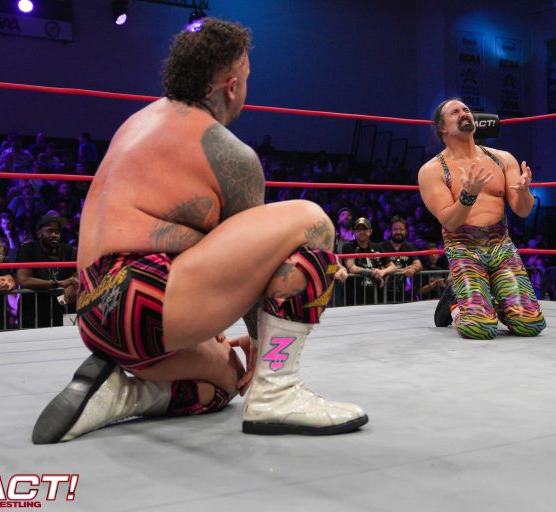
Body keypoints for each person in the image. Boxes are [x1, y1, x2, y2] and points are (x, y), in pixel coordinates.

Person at [32, 18, 367, 444]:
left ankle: (122, 395)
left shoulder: (137, 122)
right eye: (247, 78)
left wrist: (220, 338)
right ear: (231, 85)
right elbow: (263, 269)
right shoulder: (228, 153)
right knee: (311, 222)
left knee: (226, 380)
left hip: (96, 316)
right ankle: (277, 393)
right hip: (145, 297)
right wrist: (262, 351)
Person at [418, 98, 546, 340]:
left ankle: (490, 301)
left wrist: (523, 192)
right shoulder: (432, 170)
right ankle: (454, 301)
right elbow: (449, 221)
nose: (464, 113)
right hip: (463, 247)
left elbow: (523, 211)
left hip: (501, 245)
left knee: (530, 325)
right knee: (480, 329)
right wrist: (468, 195)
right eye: (455, 112)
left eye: (466, 109)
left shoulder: (502, 159)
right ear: (442, 127)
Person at [16, 215, 77, 328]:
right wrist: (59, 284)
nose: (54, 235)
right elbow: (24, 280)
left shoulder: (67, 249)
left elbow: (77, 274)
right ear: (38, 233)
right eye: (49, 231)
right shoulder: (28, 249)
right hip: (34, 310)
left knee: (64, 337)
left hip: (60, 305)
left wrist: (72, 287)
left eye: (57, 232)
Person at [339, 217, 393, 306]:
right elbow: (352, 268)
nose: (361, 232)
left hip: (376, 296)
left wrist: (382, 272)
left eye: (364, 229)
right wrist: (372, 273)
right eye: (358, 229)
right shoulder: (348, 246)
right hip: (354, 297)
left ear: (370, 231)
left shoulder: (377, 247)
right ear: (354, 232)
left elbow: (392, 266)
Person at [375, 216, 422, 303]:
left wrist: (412, 269)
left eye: (401, 229)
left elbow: (418, 264)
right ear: (390, 231)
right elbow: (378, 266)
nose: (398, 232)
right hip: (384, 293)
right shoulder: (382, 246)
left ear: (406, 231)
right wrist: (403, 270)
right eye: (395, 229)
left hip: (404, 293)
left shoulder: (409, 247)